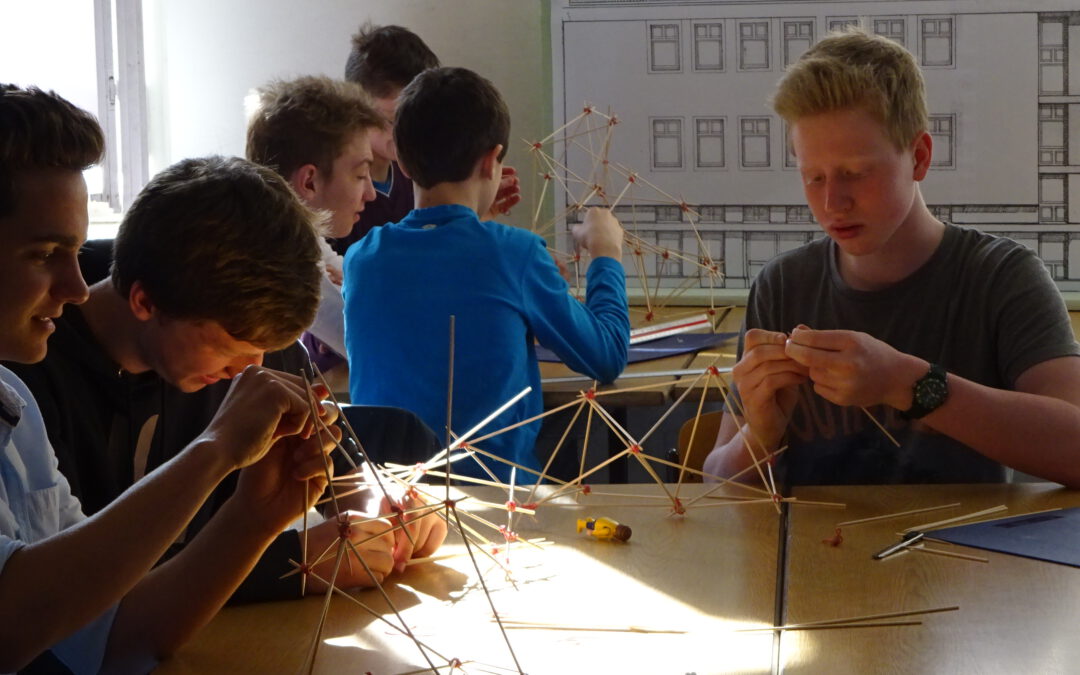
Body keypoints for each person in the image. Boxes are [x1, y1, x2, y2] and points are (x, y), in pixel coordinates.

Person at [3, 153, 447, 609]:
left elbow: (341, 476)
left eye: (267, 347)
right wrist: (290, 562)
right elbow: (74, 589)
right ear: (145, 302)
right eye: (230, 347)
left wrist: (377, 504)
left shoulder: (253, 341)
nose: (250, 369)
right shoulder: (24, 377)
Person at [0, 84, 337, 673]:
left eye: (74, 252)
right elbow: (11, 628)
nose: (77, 287)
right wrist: (215, 451)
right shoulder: (39, 386)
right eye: (44, 253)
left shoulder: (13, 409)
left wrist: (254, 519)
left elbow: (108, 637)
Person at [702, 28, 1080, 488]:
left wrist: (906, 382)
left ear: (919, 157)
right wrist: (760, 433)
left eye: (856, 172)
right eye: (813, 177)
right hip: (813, 537)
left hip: (965, 536)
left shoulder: (1001, 277)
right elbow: (716, 486)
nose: (833, 202)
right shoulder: (783, 285)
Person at [342, 67, 630, 482]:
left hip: (391, 500)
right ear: (492, 160)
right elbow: (607, 356)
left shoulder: (361, 258)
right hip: (496, 500)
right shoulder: (515, 254)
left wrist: (480, 227)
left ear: (401, 160)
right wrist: (606, 252)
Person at [336, 23, 520, 255]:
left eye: (416, 121)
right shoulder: (336, 187)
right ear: (355, 106)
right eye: (392, 120)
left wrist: (475, 214)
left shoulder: (421, 168)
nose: (406, 133)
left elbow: (435, 256)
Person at [246, 75, 381, 363]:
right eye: (360, 175)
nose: (371, 194)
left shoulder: (295, 233)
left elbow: (349, 276)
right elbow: (374, 346)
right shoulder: (282, 254)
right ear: (309, 182)